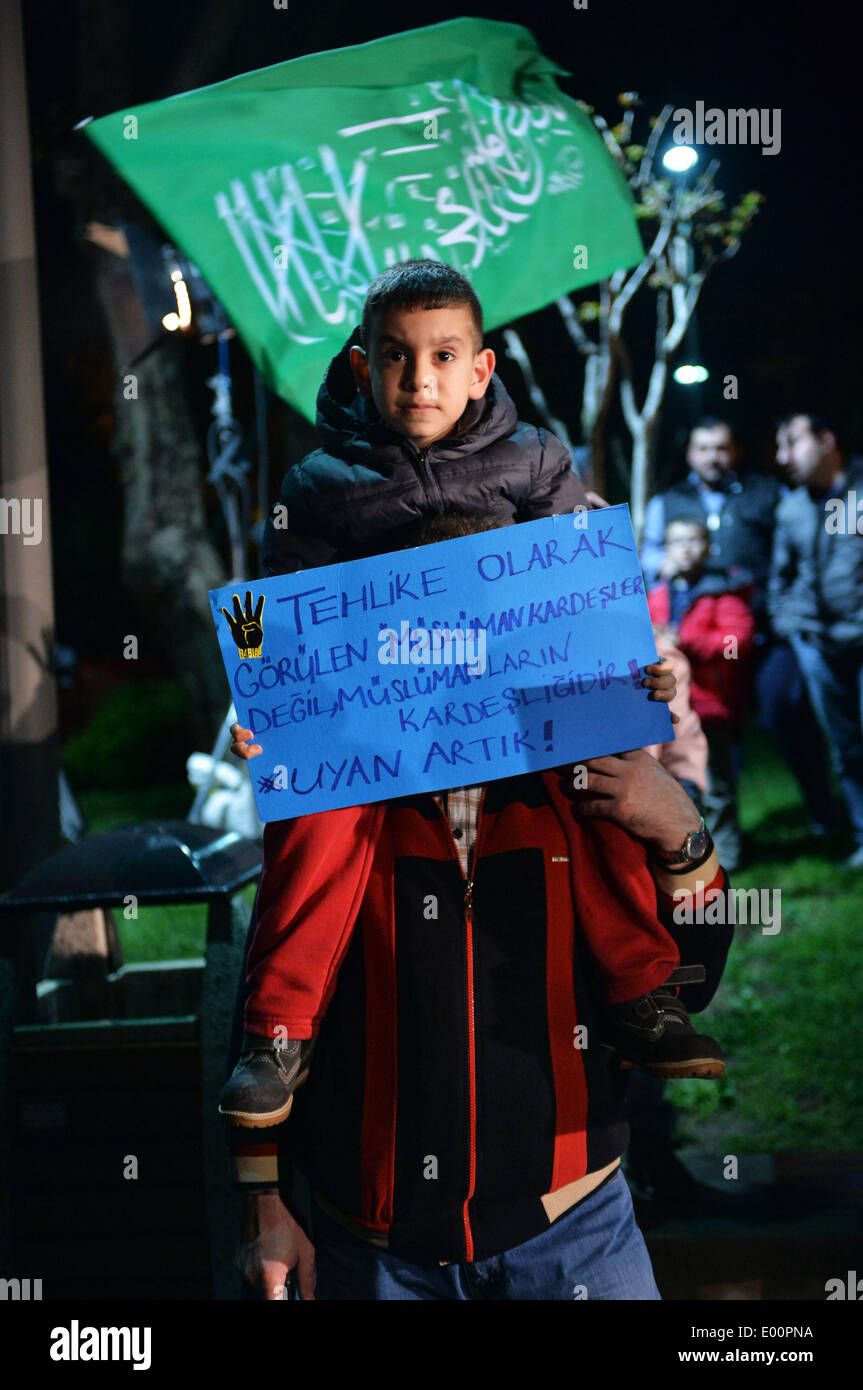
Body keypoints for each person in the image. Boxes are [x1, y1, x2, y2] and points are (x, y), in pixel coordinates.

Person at [225, 739, 731, 1300]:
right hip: (374, 1254)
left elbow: (694, 981)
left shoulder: (583, 778)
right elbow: (268, 1010)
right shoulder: (334, 801)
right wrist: (263, 1203)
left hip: (577, 1228)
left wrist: (683, 833)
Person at [642, 417, 837, 841]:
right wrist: (668, 566)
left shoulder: (767, 492)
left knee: (787, 709)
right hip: (699, 649)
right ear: (691, 454)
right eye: (704, 448)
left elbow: (796, 549)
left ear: (735, 452)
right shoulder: (667, 501)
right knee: (704, 738)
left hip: (763, 633)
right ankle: (711, 838)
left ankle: (825, 813)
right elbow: (648, 555)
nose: (714, 457)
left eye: (722, 448)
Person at [770, 412, 863, 868]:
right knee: (845, 746)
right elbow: (780, 579)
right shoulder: (791, 507)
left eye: (791, 442)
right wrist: (792, 626)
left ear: (827, 439)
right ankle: (862, 834)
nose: (781, 456)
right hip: (817, 646)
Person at [648, 517, 755, 873]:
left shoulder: (724, 590)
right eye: (677, 542)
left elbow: (735, 643)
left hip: (710, 706)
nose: (686, 549)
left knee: (717, 785)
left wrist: (687, 641)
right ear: (666, 550)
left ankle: (729, 853)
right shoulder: (658, 594)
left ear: (709, 547)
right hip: (670, 708)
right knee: (679, 782)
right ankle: (689, 853)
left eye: (694, 540)